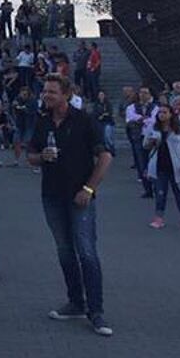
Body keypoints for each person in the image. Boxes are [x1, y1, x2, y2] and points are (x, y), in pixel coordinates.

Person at [28, 74, 113, 337]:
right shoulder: (42, 121)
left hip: (79, 195)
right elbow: (31, 155)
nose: (46, 95)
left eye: (52, 92)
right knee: (65, 251)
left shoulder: (84, 120)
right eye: (45, 91)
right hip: (52, 195)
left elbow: (105, 156)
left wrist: (89, 188)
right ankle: (76, 301)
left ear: (66, 94)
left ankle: (96, 311)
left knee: (86, 252)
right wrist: (41, 156)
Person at [143, 103, 180, 231]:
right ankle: (158, 218)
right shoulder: (153, 128)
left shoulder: (179, 129)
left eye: (165, 112)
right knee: (160, 193)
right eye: (160, 112)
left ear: (171, 114)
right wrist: (151, 142)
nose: (162, 115)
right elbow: (145, 145)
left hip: (176, 166)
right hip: (159, 166)